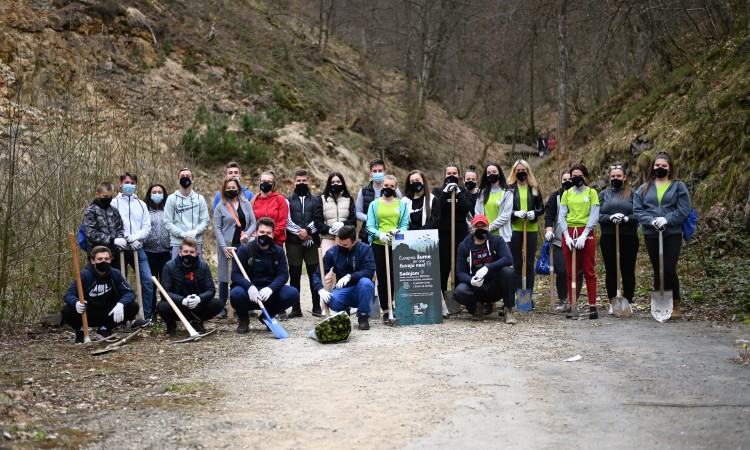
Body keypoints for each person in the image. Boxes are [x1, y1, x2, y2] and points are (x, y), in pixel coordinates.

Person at [634, 151, 691, 319]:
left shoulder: (678, 186)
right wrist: (651, 220)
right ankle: (660, 304)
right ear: (653, 167)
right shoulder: (644, 188)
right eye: (657, 165)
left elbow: (684, 209)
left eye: (664, 166)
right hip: (651, 233)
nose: (660, 168)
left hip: (672, 232)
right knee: (657, 269)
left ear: (670, 168)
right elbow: (637, 209)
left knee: (668, 268)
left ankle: (676, 302)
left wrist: (667, 219)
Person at [230, 217, 299, 333]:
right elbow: (235, 274)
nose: (264, 235)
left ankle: (267, 315)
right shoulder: (245, 249)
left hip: (268, 292)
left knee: (293, 294)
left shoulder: (278, 251)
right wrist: (249, 286)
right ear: (256, 232)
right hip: (249, 291)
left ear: (273, 235)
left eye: (268, 233)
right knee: (235, 294)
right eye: (262, 232)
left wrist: (270, 288)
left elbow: (283, 275)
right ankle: (243, 318)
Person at [62, 246, 139, 343]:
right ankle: (80, 332)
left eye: (106, 259)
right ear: (93, 261)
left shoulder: (115, 274)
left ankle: (104, 330)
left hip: (108, 313)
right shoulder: (84, 275)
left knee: (133, 306)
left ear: (111, 260)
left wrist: (121, 304)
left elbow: (130, 293)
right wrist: (76, 302)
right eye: (100, 259)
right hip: (86, 313)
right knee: (67, 310)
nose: (103, 261)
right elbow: (68, 295)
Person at [454, 215, 517, 324]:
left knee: (508, 272)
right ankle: (477, 308)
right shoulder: (464, 246)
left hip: (495, 285)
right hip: (476, 287)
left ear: (488, 227)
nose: (480, 229)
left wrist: (488, 267)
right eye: (477, 226)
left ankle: (509, 310)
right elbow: (460, 272)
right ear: (472, 228)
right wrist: (471, 281)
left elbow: (508, 259)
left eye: (483, 226)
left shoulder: (496, 240)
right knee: (460, 291)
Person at [111, 172, 154, 327]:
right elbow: (113, 225)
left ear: (136, 185)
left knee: (148, 281)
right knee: (119, 283)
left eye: (132, 182)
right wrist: (126, 237)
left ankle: (146, 316)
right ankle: (121, 318)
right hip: (120, 249)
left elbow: (147, 227)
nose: (129, 185)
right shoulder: (114, 203)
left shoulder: (141, 204)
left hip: (138, 248)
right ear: (120, 184)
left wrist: (136, 238)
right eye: (126, 182)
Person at [313, 225, 377, 330]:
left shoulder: (365, 249)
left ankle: (363, 316)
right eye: (340, 243)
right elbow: (317, 274)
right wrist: (320, 290)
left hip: (361, 289)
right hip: (343, 289)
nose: (342, 246)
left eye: (345, 245)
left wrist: (350, 277)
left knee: (366, 283)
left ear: (354, 242)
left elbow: (369, 271)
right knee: (332, 300)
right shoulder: (333, 252)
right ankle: (344, 313)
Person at [559, 163, 600, 319]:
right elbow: (562, 215)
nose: (577, 179)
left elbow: (594, 214)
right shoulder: (567, 194)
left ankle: (592, 305)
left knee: (589, 270)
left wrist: (585, 234)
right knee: (571, 271)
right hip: (569, 231)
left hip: (586, 232)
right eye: (573, 176)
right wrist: (567, 236)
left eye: (579, 176)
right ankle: (572, 304)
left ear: (585, 177)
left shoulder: (592, 192)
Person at [157, 238, 221, 336]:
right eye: (185, 251)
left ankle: (197, 322)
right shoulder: (169, 266)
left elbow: (211, 290)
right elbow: (165, 292)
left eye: (191, 252)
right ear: (180, 252)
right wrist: (182, 300)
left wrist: (199, 298)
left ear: (197, 253)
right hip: (178, 306)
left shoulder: (203, 266)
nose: (188, 254)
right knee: (162, 306)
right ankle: (171, 325)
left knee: (217, 303)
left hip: (197, 305)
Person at [366, 174, 409, 322]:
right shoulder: (374, 205)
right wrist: (379, 234)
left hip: (397, 245)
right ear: (381, 186)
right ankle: (386, 310)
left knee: (396, 277)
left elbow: (405, 224)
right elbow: (369, 226)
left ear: (395, 188)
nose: (388, 188)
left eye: (391, 186)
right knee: (383, 278)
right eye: (386, 186)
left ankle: (397, 306)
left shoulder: (401, 205)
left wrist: (399, 231)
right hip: (379, 245)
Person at [598, 163, 639, 315]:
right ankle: (613, 301)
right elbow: (597, 215)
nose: (615, 178)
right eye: (613, 176)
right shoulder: (603, 195)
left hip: (629, 236)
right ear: (610, 178)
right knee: (611, 270)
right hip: (608, 236)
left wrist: (627, 219)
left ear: (624, 177)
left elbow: (640, 214)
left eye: (618, 176)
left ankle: (627, 301)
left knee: (628, 270)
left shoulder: (633, 194)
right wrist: (610, 218)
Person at [214, 177, 256, 318]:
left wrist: (247, 235)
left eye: (233, 187)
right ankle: (222, 306)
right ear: (224, 190)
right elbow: (217, 228)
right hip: (227, 245)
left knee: (243, 274)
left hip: (243, 245)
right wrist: (224, 246)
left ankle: (244, 305)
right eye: (228, 188)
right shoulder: (220, 206)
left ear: (238, 188)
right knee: (224, 276)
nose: (231, 190)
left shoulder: (246, 204)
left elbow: (253, 223)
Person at [432, 163, 473, 303]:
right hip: (443, 236)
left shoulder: (464, 191)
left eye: (454, 173)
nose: (451, 176)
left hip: (460, 235)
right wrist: (445, 193)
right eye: (448, 173)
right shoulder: (437, 191)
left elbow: (467, 208)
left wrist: (459, 194)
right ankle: (442, 301)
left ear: (459, 175)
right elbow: (436, 208)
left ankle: (459, 298)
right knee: (443, 269)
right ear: (445, 175)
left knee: (459, 268)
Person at [508, 159, 544, 308]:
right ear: (514, 172)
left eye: (524, 170)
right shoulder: (509, 189)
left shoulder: (534, 188)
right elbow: (504, 210)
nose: (521, 173)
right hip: (515, 229)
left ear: (527, 171)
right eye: (518, 171)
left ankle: (528, 297)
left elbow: (542, 208)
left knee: (528, 264)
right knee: (517, 263)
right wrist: (515, 213)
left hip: (531, 229)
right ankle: (518, 296)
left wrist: (533, 213)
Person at [285, 169, 321, 318]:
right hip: (293, 242)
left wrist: (307, 231)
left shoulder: (317, 199)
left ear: (309, 182)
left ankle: (316, 306)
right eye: (298, 181)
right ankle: (296, 308)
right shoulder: (287, 200)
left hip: (312, 242)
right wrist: (300, 232)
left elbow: (319, 218)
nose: (301, 183)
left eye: (304, 181)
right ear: (294, 182)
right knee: (294, 275)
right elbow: (286, 220)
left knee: (314, 274)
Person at [544, 172, 582, 311]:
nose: (567, 181)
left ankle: (574, 300)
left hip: (578, 238)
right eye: (564, 179)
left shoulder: (582, 194)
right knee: (562, 270)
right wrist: (549, 230)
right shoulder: (556, 196)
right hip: (560, 239)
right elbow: (549, 215)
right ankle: (562, 299)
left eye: (569, 179)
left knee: (577, 271)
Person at [313, 172, 357, 292]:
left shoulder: (349, 199)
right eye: (333, 182)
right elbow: (317, 221)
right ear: (328, 183)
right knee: (326, 274)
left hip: (346, 240)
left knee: (344, 272)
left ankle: (342, 306)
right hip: (328, 239)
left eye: (338, 182)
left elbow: (353, 220)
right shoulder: (322, 199)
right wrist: (328, 229)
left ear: (342, 183)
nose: (335, 184)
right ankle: (325, 306)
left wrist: (343, 224)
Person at [163, 168, 210, 258]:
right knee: (176, 271)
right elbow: (167, 222)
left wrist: (195, 232)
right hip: (177, 243)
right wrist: (181, 234)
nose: (185, 178)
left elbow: (205, 221)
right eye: (182, 176)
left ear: (193, 179)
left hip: (195, 242)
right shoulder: (171, 198)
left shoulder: (200, 199)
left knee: (196, 271)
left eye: (188, 176)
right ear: (178, 180)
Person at [143, 183, 172, 321]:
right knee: (151, 284)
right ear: (149, 194)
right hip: (149, 251)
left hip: (167, 251)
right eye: (154, 191)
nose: (157, 194)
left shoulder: (169, 209)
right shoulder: (145, 210)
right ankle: (151, 312)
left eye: (160, 191)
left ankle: (166, 310)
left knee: (166, 283)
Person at [356, 158, 402, 242]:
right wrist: (369, 218)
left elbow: (402, 211)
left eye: (380, 170)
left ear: (385, 172)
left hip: (390, 234)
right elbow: (358, 212)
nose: (377, 173)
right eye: (375, 171)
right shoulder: (363, 191)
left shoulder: (395, 190)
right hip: (368, 234)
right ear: (371, 173)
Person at [83, 181, 127, 260]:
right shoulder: (90, 211)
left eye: (110, 197)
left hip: (115, 254)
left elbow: (120, 228)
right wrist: (112, 240)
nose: (108, 199)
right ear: (98, 194)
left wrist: (120, 240)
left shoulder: (114, 211)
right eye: (105, 196)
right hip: (97, 255)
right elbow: (90, 233)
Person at [475, 163, 513, 243]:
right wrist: (483, 227)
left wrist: (490, 227)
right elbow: (477, 212)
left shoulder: (507, 193)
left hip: (502, 236)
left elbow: (506, 216)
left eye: (494, 172)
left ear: (499, 173)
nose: (491, 174)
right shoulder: (481, 193)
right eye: (488, 173)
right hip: (485, 235)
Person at [250, 171, 288, 245]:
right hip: (257, 241)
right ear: (259, 182)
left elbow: (282, 223)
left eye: (269, 181)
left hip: (275, 242)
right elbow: (251, 222)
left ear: (273, 184)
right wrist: (257, 234)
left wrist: (270, 235)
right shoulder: (253, 201)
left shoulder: (280, 199)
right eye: (263, 181)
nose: (265, 183)